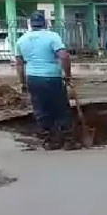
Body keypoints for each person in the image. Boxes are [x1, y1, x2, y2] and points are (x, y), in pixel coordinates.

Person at [15, 12, 79, 150]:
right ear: (45, 23)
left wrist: (23, 82)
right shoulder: (52, 36)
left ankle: (49, 141)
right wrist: (67, 75)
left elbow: (19, 64)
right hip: (52, 77)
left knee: (41, 109)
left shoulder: (21, 40)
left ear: (30, 24)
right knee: (61, 108)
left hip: (33, 78)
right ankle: (68, 141)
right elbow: (64, 56)